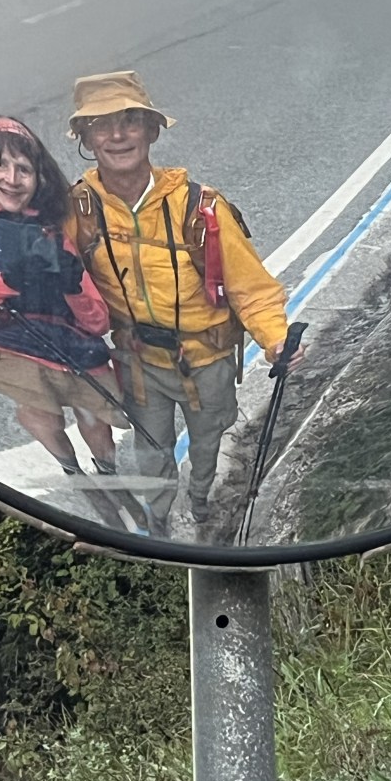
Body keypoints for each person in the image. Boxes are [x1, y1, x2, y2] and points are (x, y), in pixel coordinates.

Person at [66, 71, 305, 535]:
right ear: (86, 140)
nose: (117, 135)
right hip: (138, 360)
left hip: (206, 358)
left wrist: (276, 339)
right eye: (101, 125)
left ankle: (200, 501)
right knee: (151, 449)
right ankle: (160, 525)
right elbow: (48, 273)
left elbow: (251, 288)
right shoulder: (79, 210)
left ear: (151, 132)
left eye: (130, 121)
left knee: (207, 442)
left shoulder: (199, 208)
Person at [0, 114, 130, 481]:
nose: (11, 179)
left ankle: (107, 473)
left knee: (96, 411)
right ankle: (71, 469)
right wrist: (10, 282)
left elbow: (98, 321)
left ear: (38, 178)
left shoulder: (50, 226)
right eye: (0, 164)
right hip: (6, 340)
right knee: (42, 412)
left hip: (63, 335)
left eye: (24, 170)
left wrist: (71, 286)